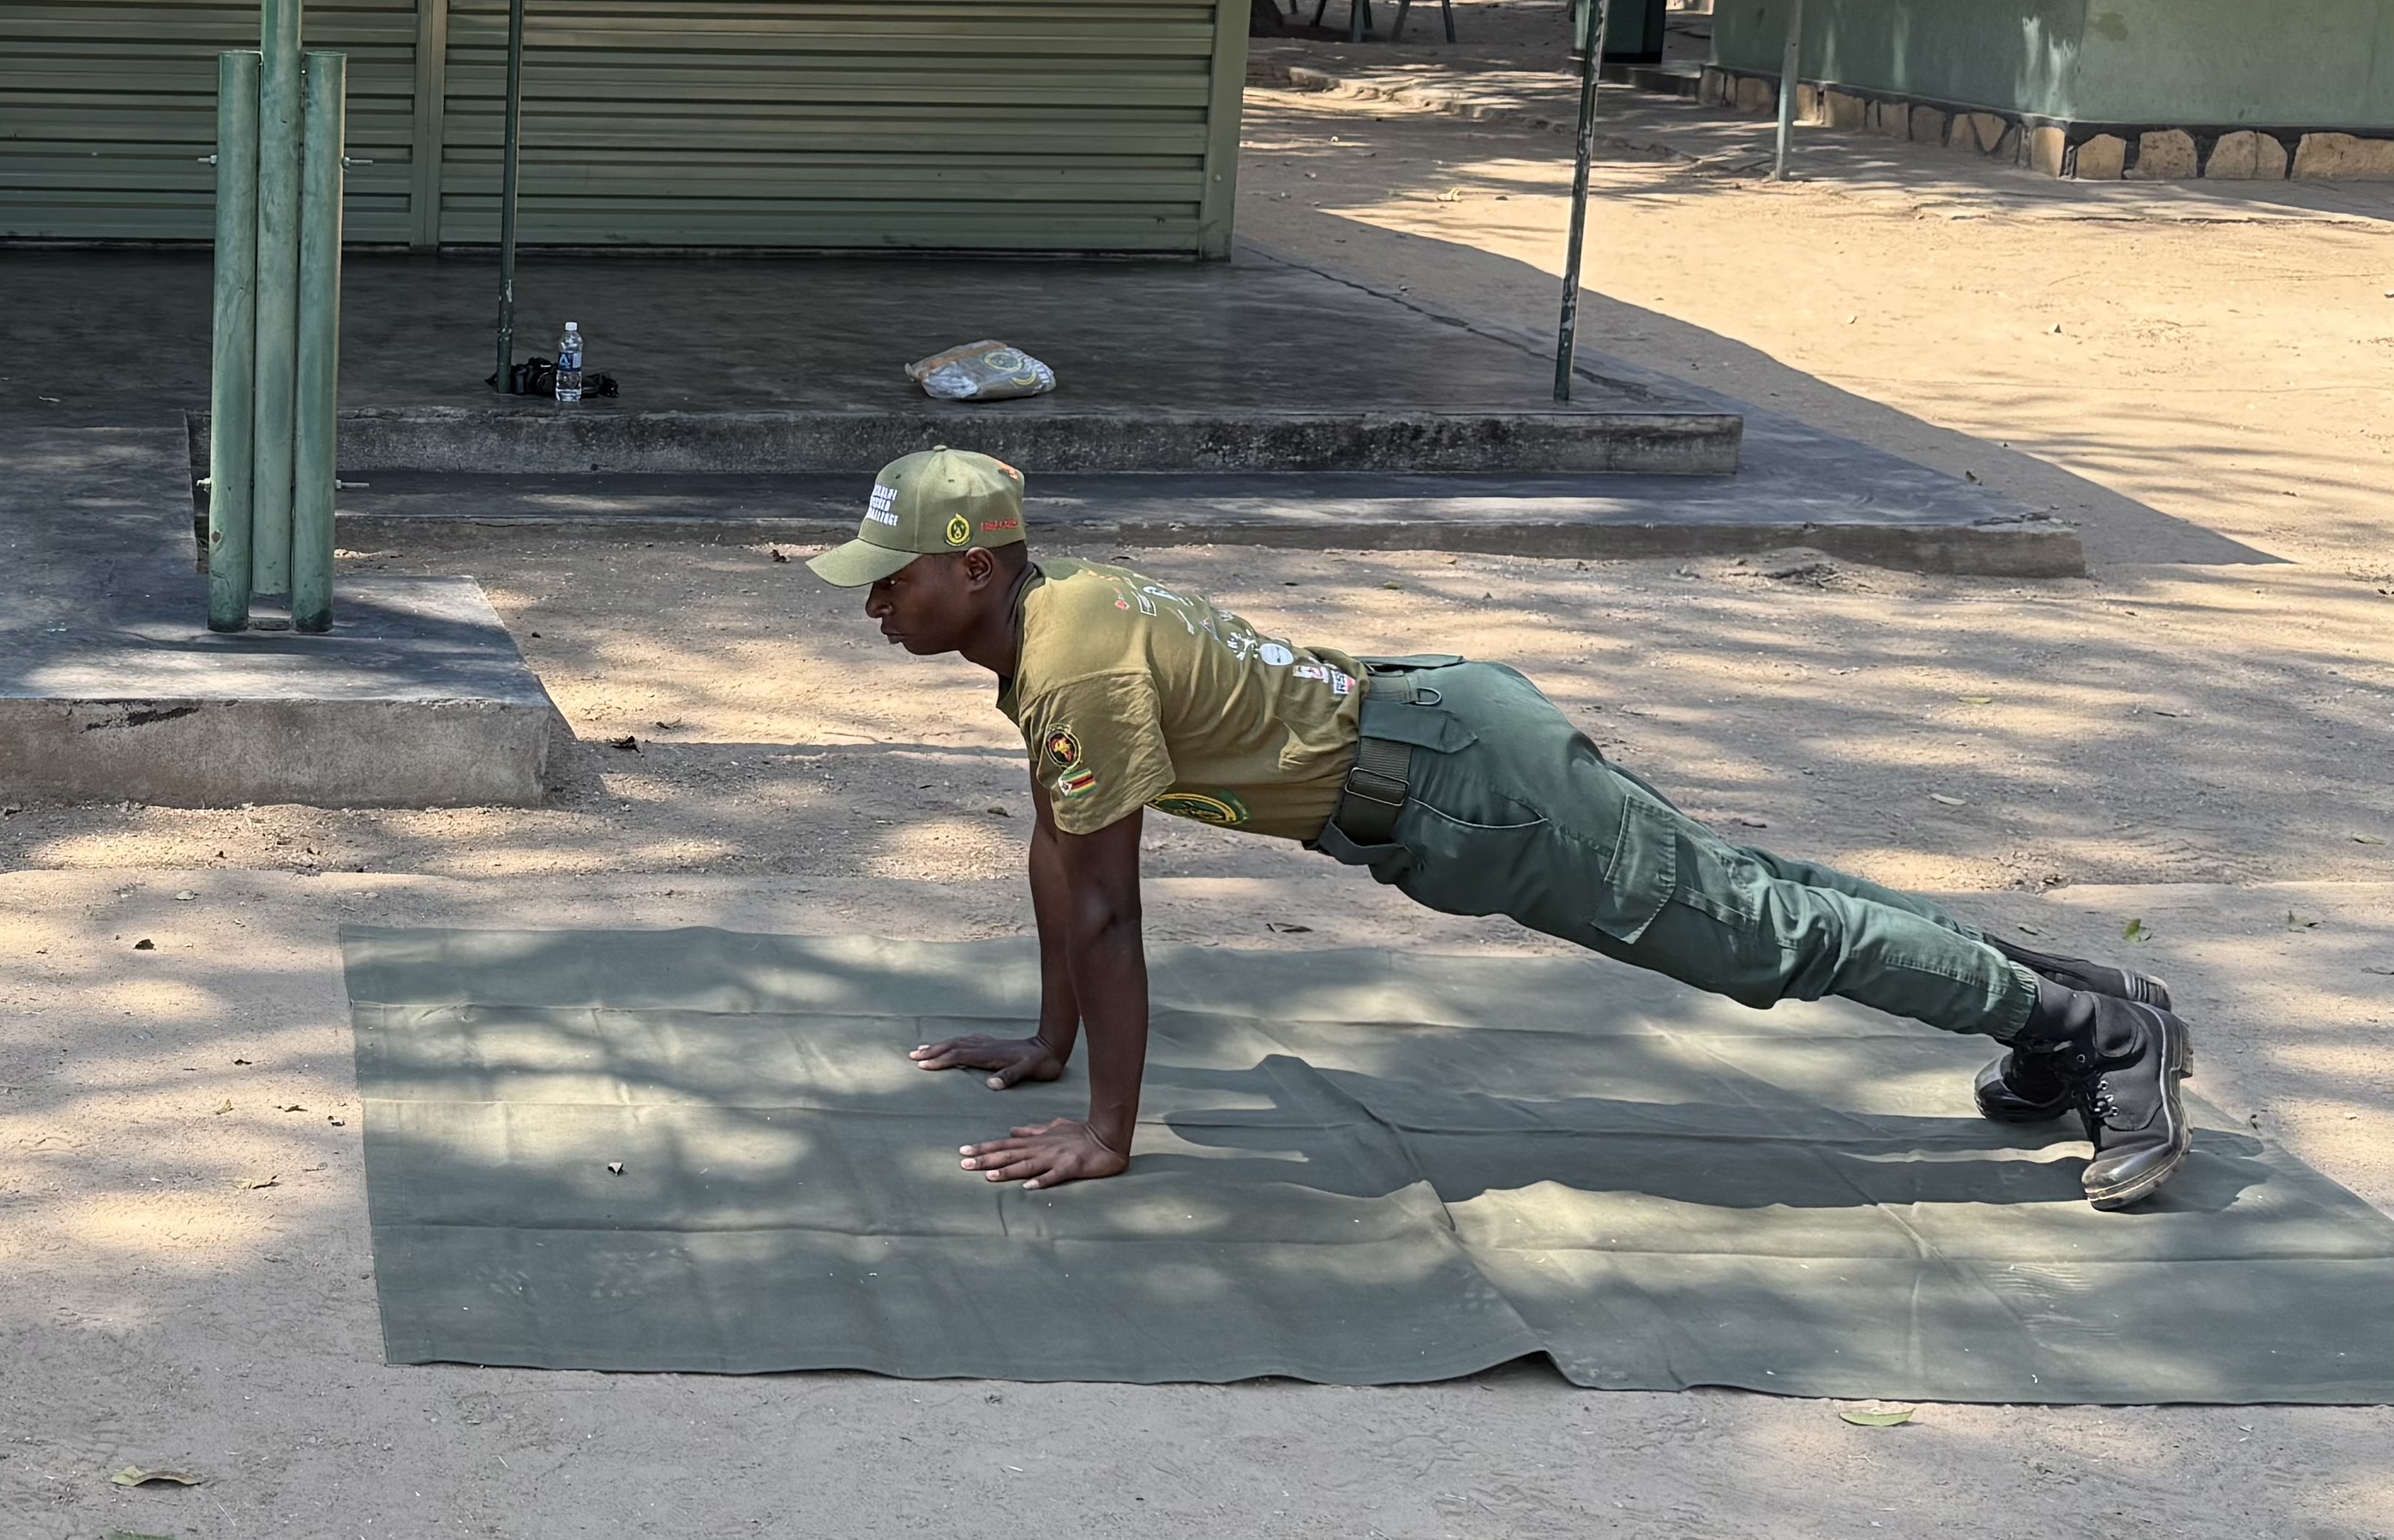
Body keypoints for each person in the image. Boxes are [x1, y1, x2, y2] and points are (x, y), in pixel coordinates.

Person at [810, 449, 2193, 1208]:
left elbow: (1108, 905)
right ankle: (2076, 997)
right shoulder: (1058, 621)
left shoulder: (1072, 665)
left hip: (1469, 790)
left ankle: (2097, 1037)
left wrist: (1107, 1131)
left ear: (973, 569)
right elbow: (1059, 848)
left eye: (890, 579)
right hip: (1442, 748)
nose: (872, 602)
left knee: (1757, 935)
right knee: (1753, 892)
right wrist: (1050, 1041)